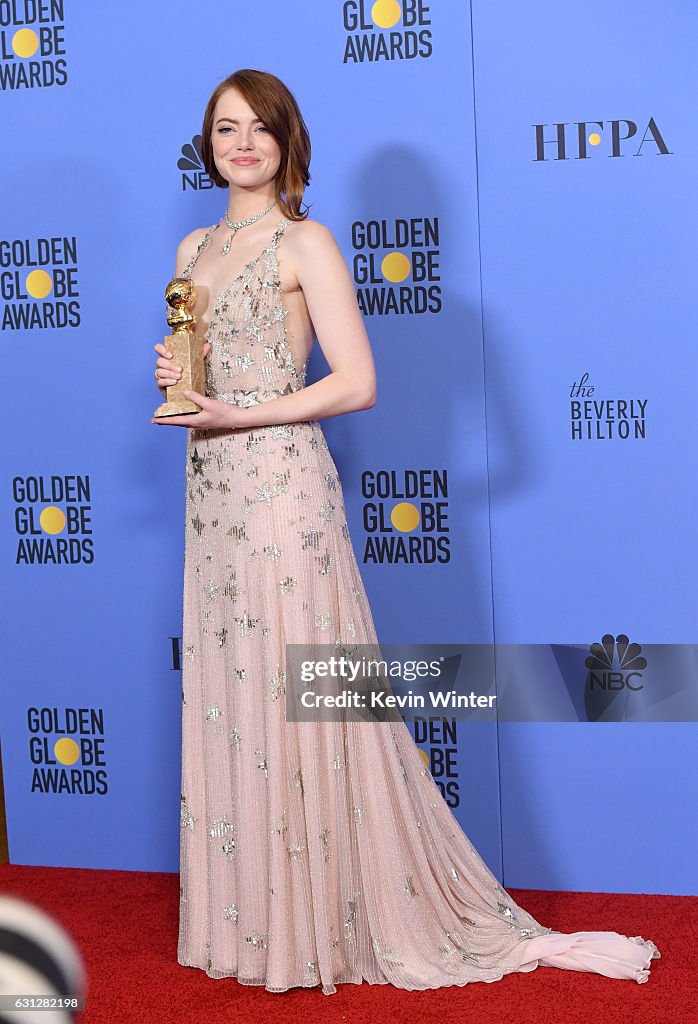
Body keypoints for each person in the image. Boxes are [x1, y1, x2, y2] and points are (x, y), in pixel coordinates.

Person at [151, 69, 660, 996]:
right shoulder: (192, 247)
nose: (243, 144)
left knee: (302, 686)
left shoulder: (307, 241)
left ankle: (325, 915)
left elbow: (356, 383)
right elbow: (201, 375)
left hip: (280, 491)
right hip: (213, 494)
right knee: (237, 688)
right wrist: (182, 383)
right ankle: (256, 920)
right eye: (226, 129)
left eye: (260, 128)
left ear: (286, 141)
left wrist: (242, 415)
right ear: (208, 143)